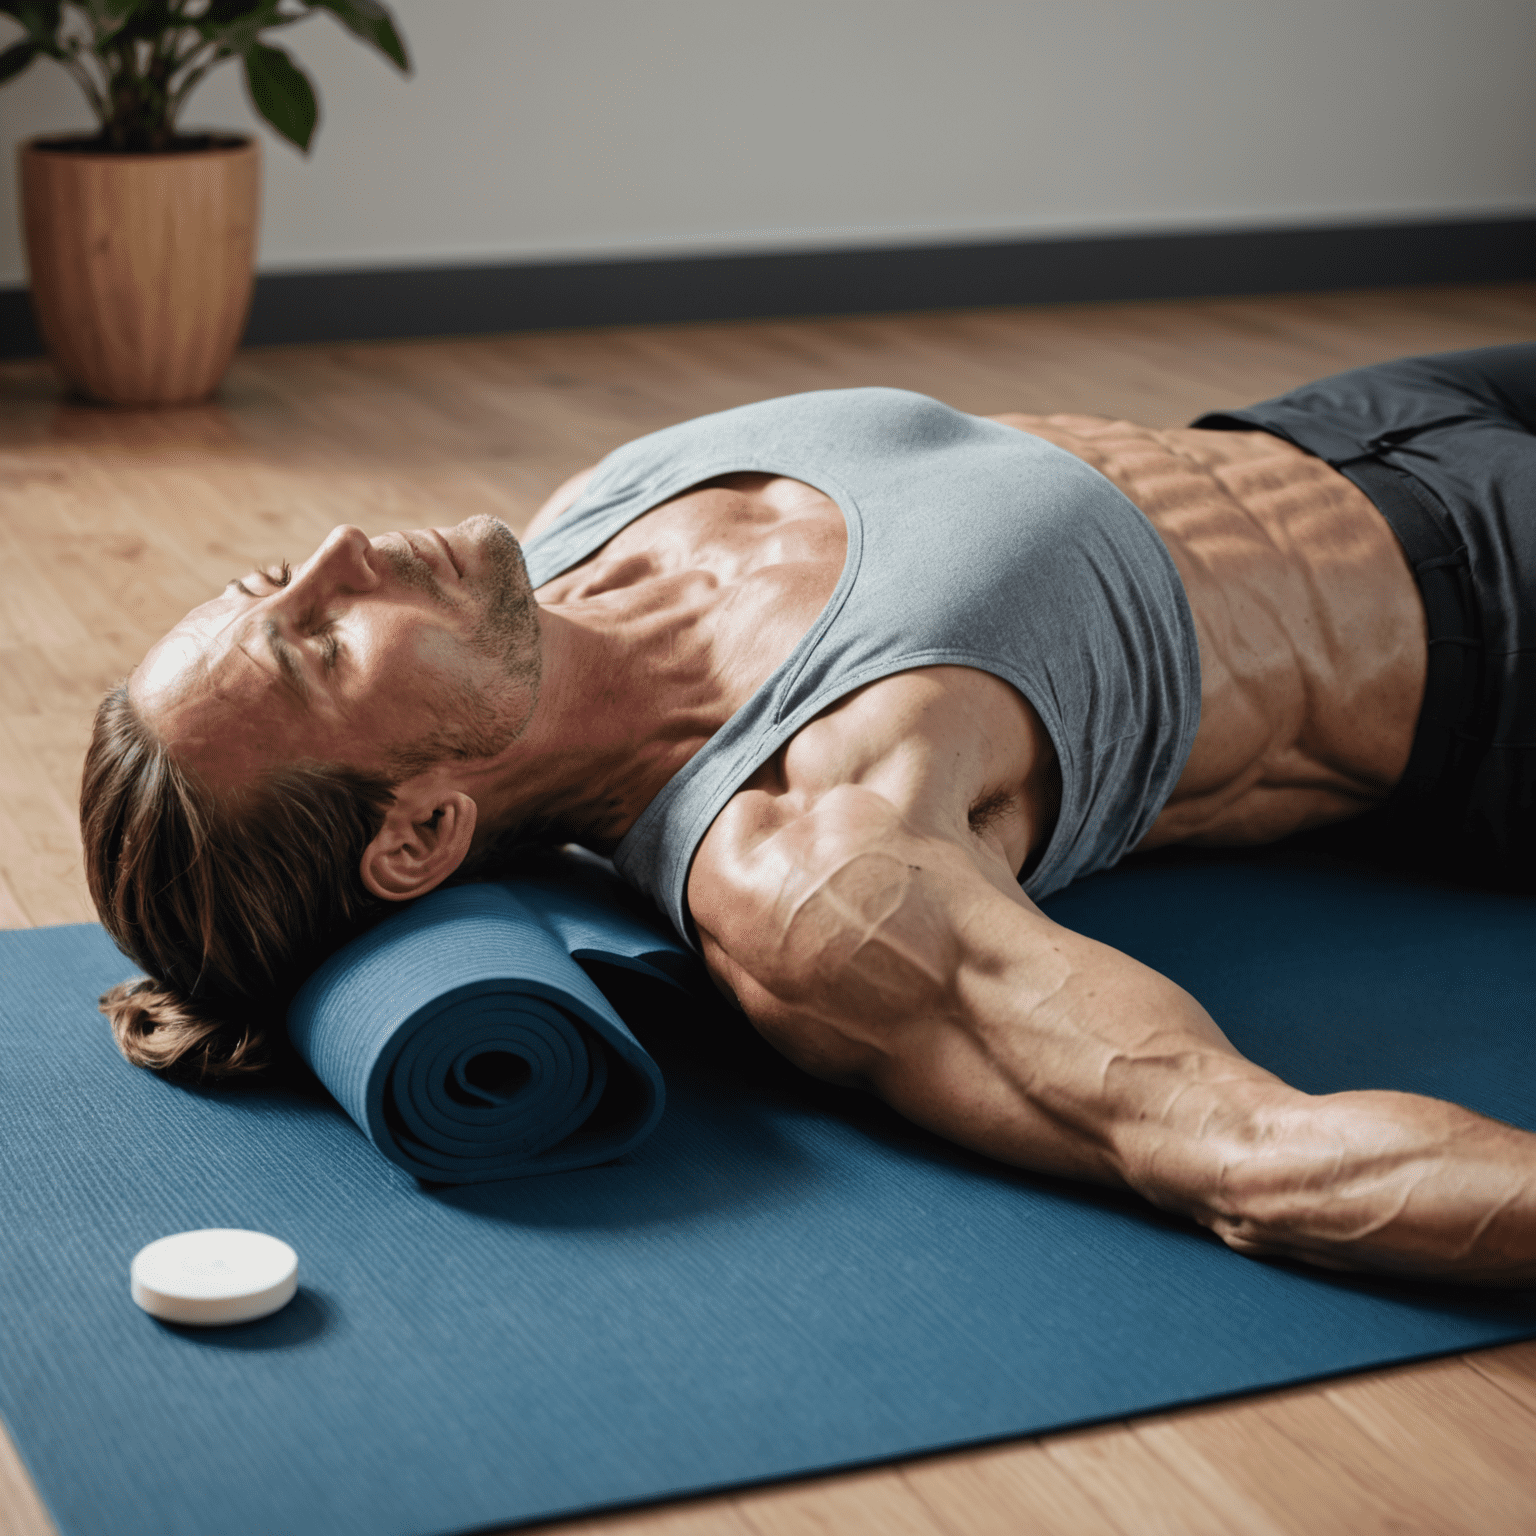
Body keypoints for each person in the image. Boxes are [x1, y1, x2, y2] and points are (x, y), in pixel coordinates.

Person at [81, 345, 1536, 1286]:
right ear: (419, 836)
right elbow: (1243, 1159)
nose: (339, 552)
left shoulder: (579, 528)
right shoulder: (816, 864)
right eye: (321, 643)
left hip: (1355, 421)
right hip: (1498, 629)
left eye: (280, 579)